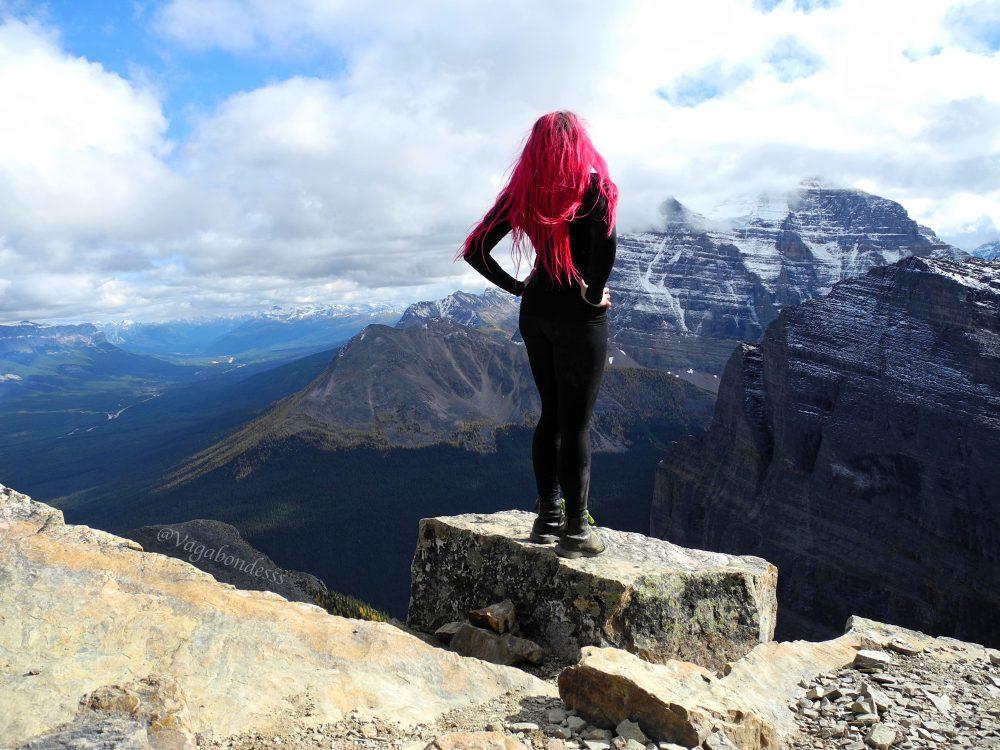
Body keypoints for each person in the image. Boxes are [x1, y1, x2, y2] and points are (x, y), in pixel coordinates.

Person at [455, 110, 618, 559]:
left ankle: (547, 516)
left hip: (536, 310)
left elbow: (476, 250)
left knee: (551, 415)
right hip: (577, 315)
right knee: (576, 423)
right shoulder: (595, 188)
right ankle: (576, 530)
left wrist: (518, 286)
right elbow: (603, 253)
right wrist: (592, 294)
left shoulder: (523, 193)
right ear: (579, 143)